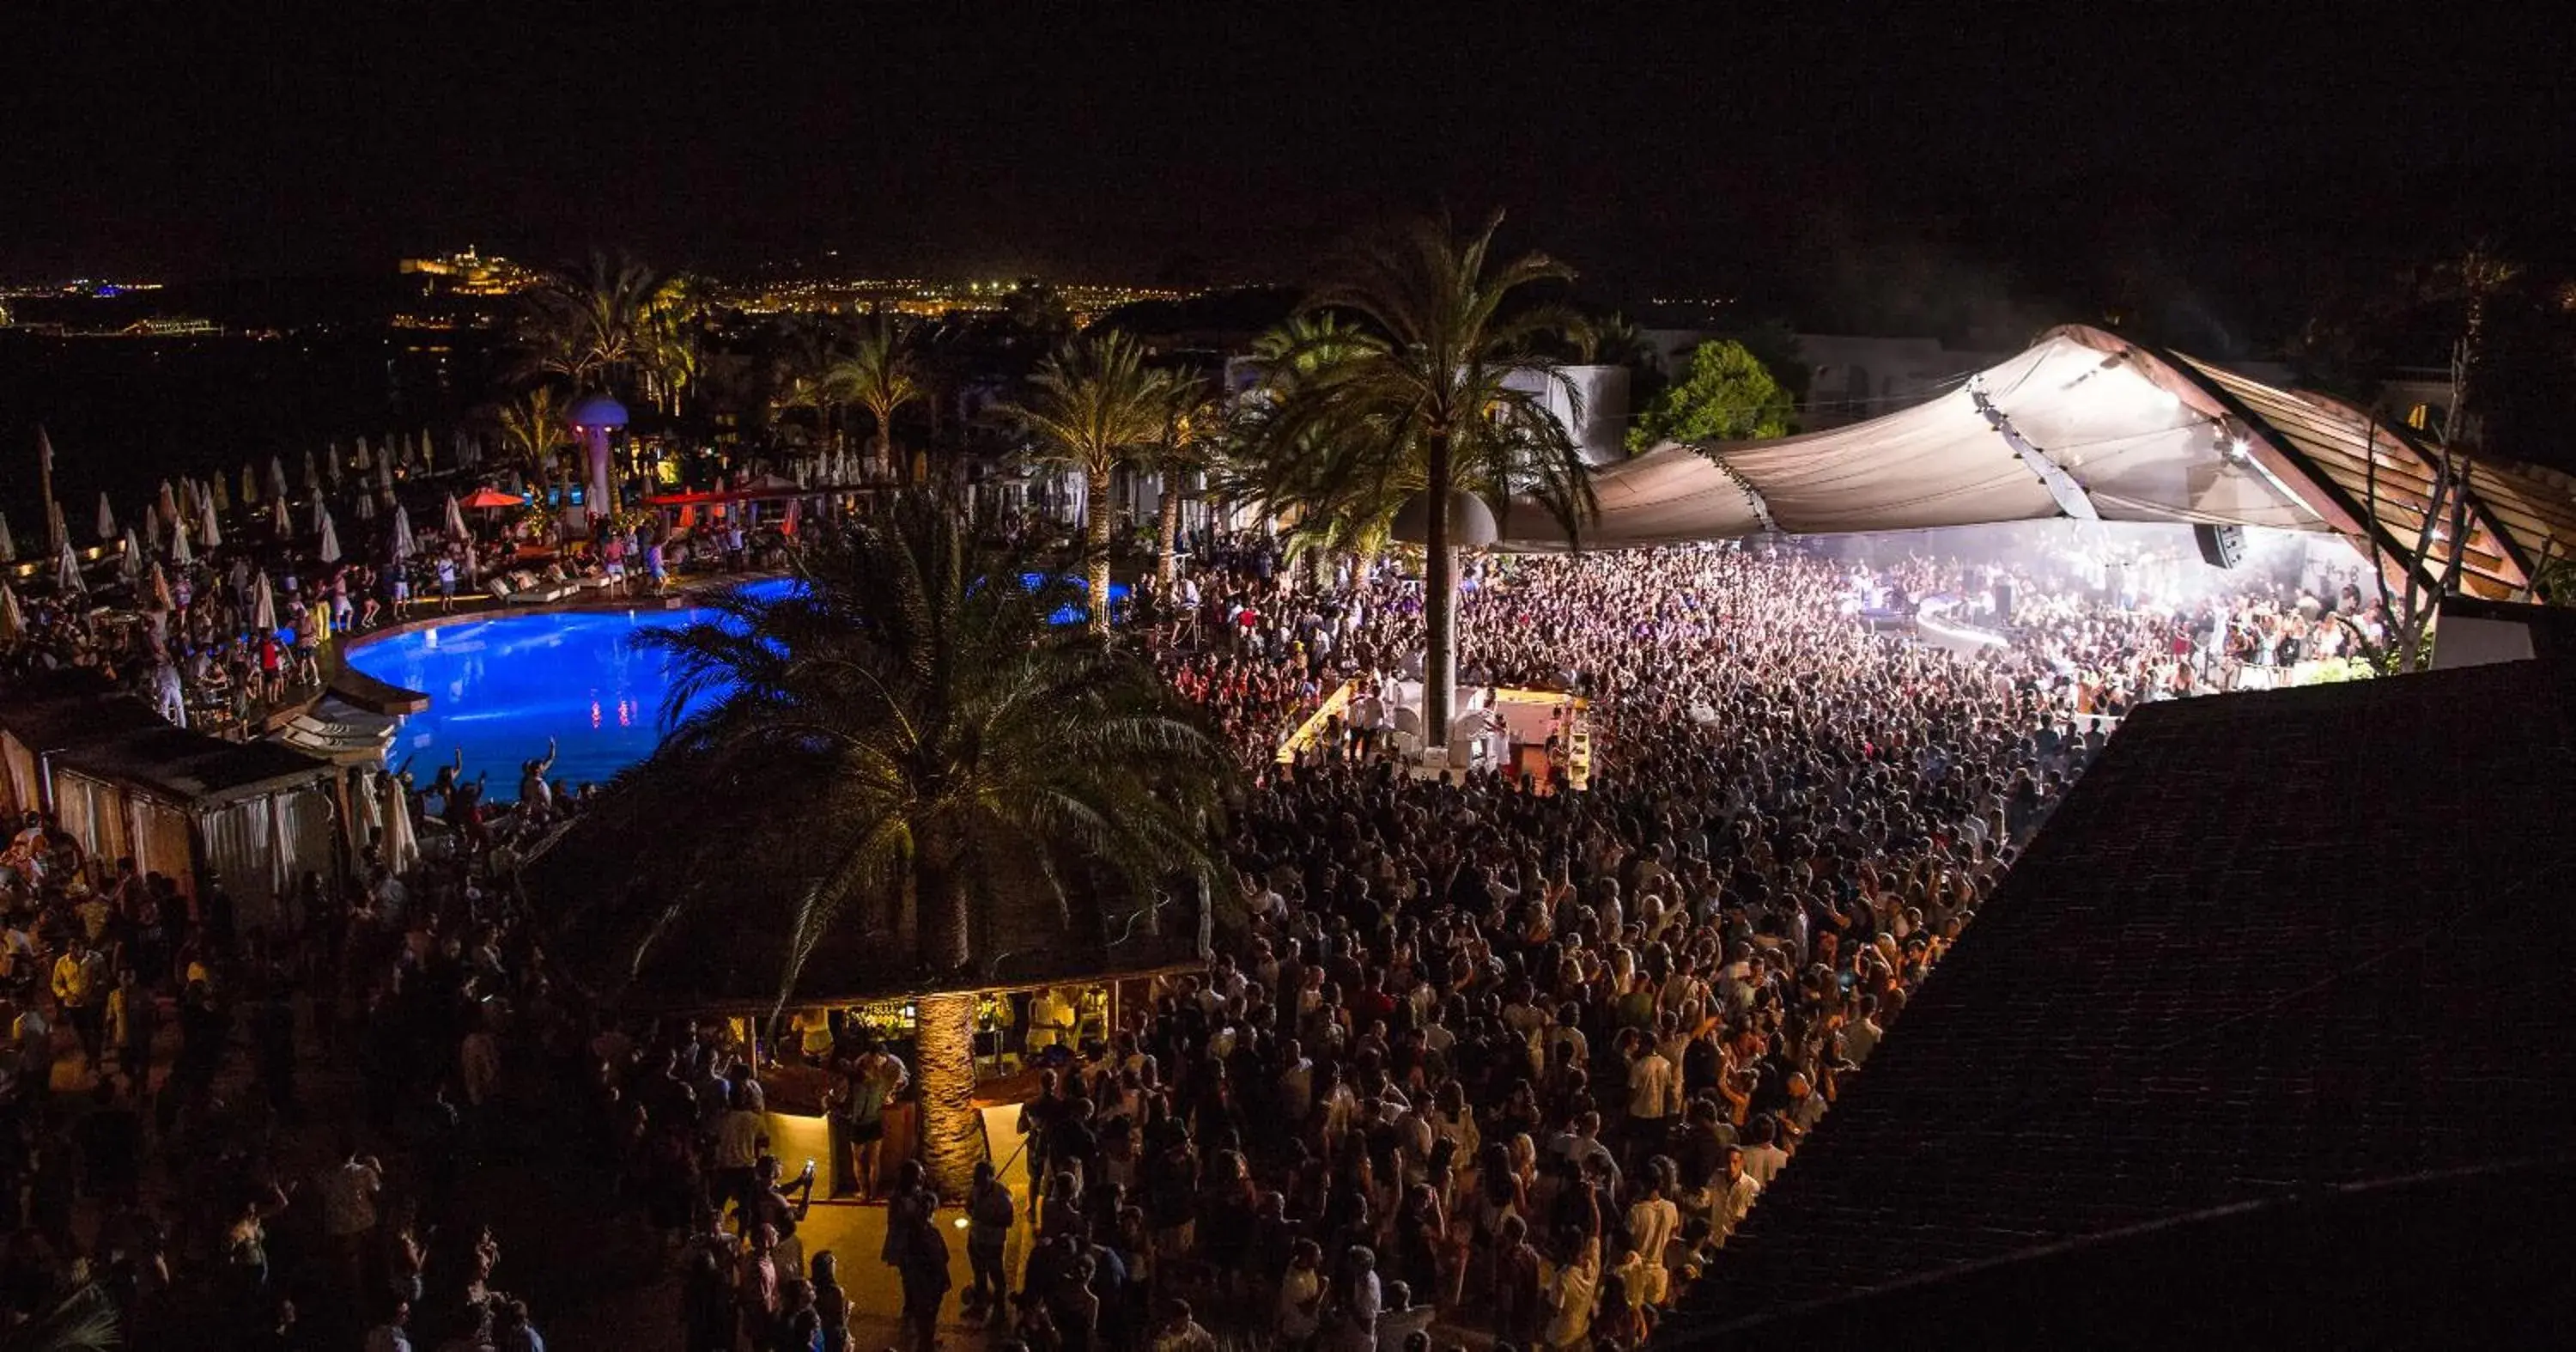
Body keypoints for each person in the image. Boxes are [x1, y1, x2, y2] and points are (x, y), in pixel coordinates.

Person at [965, 1159, 1015, 1319]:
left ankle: (999, 1311)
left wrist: (987, 1220)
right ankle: (980, 1305)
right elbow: (969, 1205)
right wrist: (971, 1209)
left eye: (980, 1177)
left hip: (993, 1243)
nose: (977, 1180)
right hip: (975, 1237)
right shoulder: (976, 1189)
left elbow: (1009, 1221)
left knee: (997, 1277)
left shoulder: (1002, 1196)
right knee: (979, 1273)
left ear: (990, 1176)